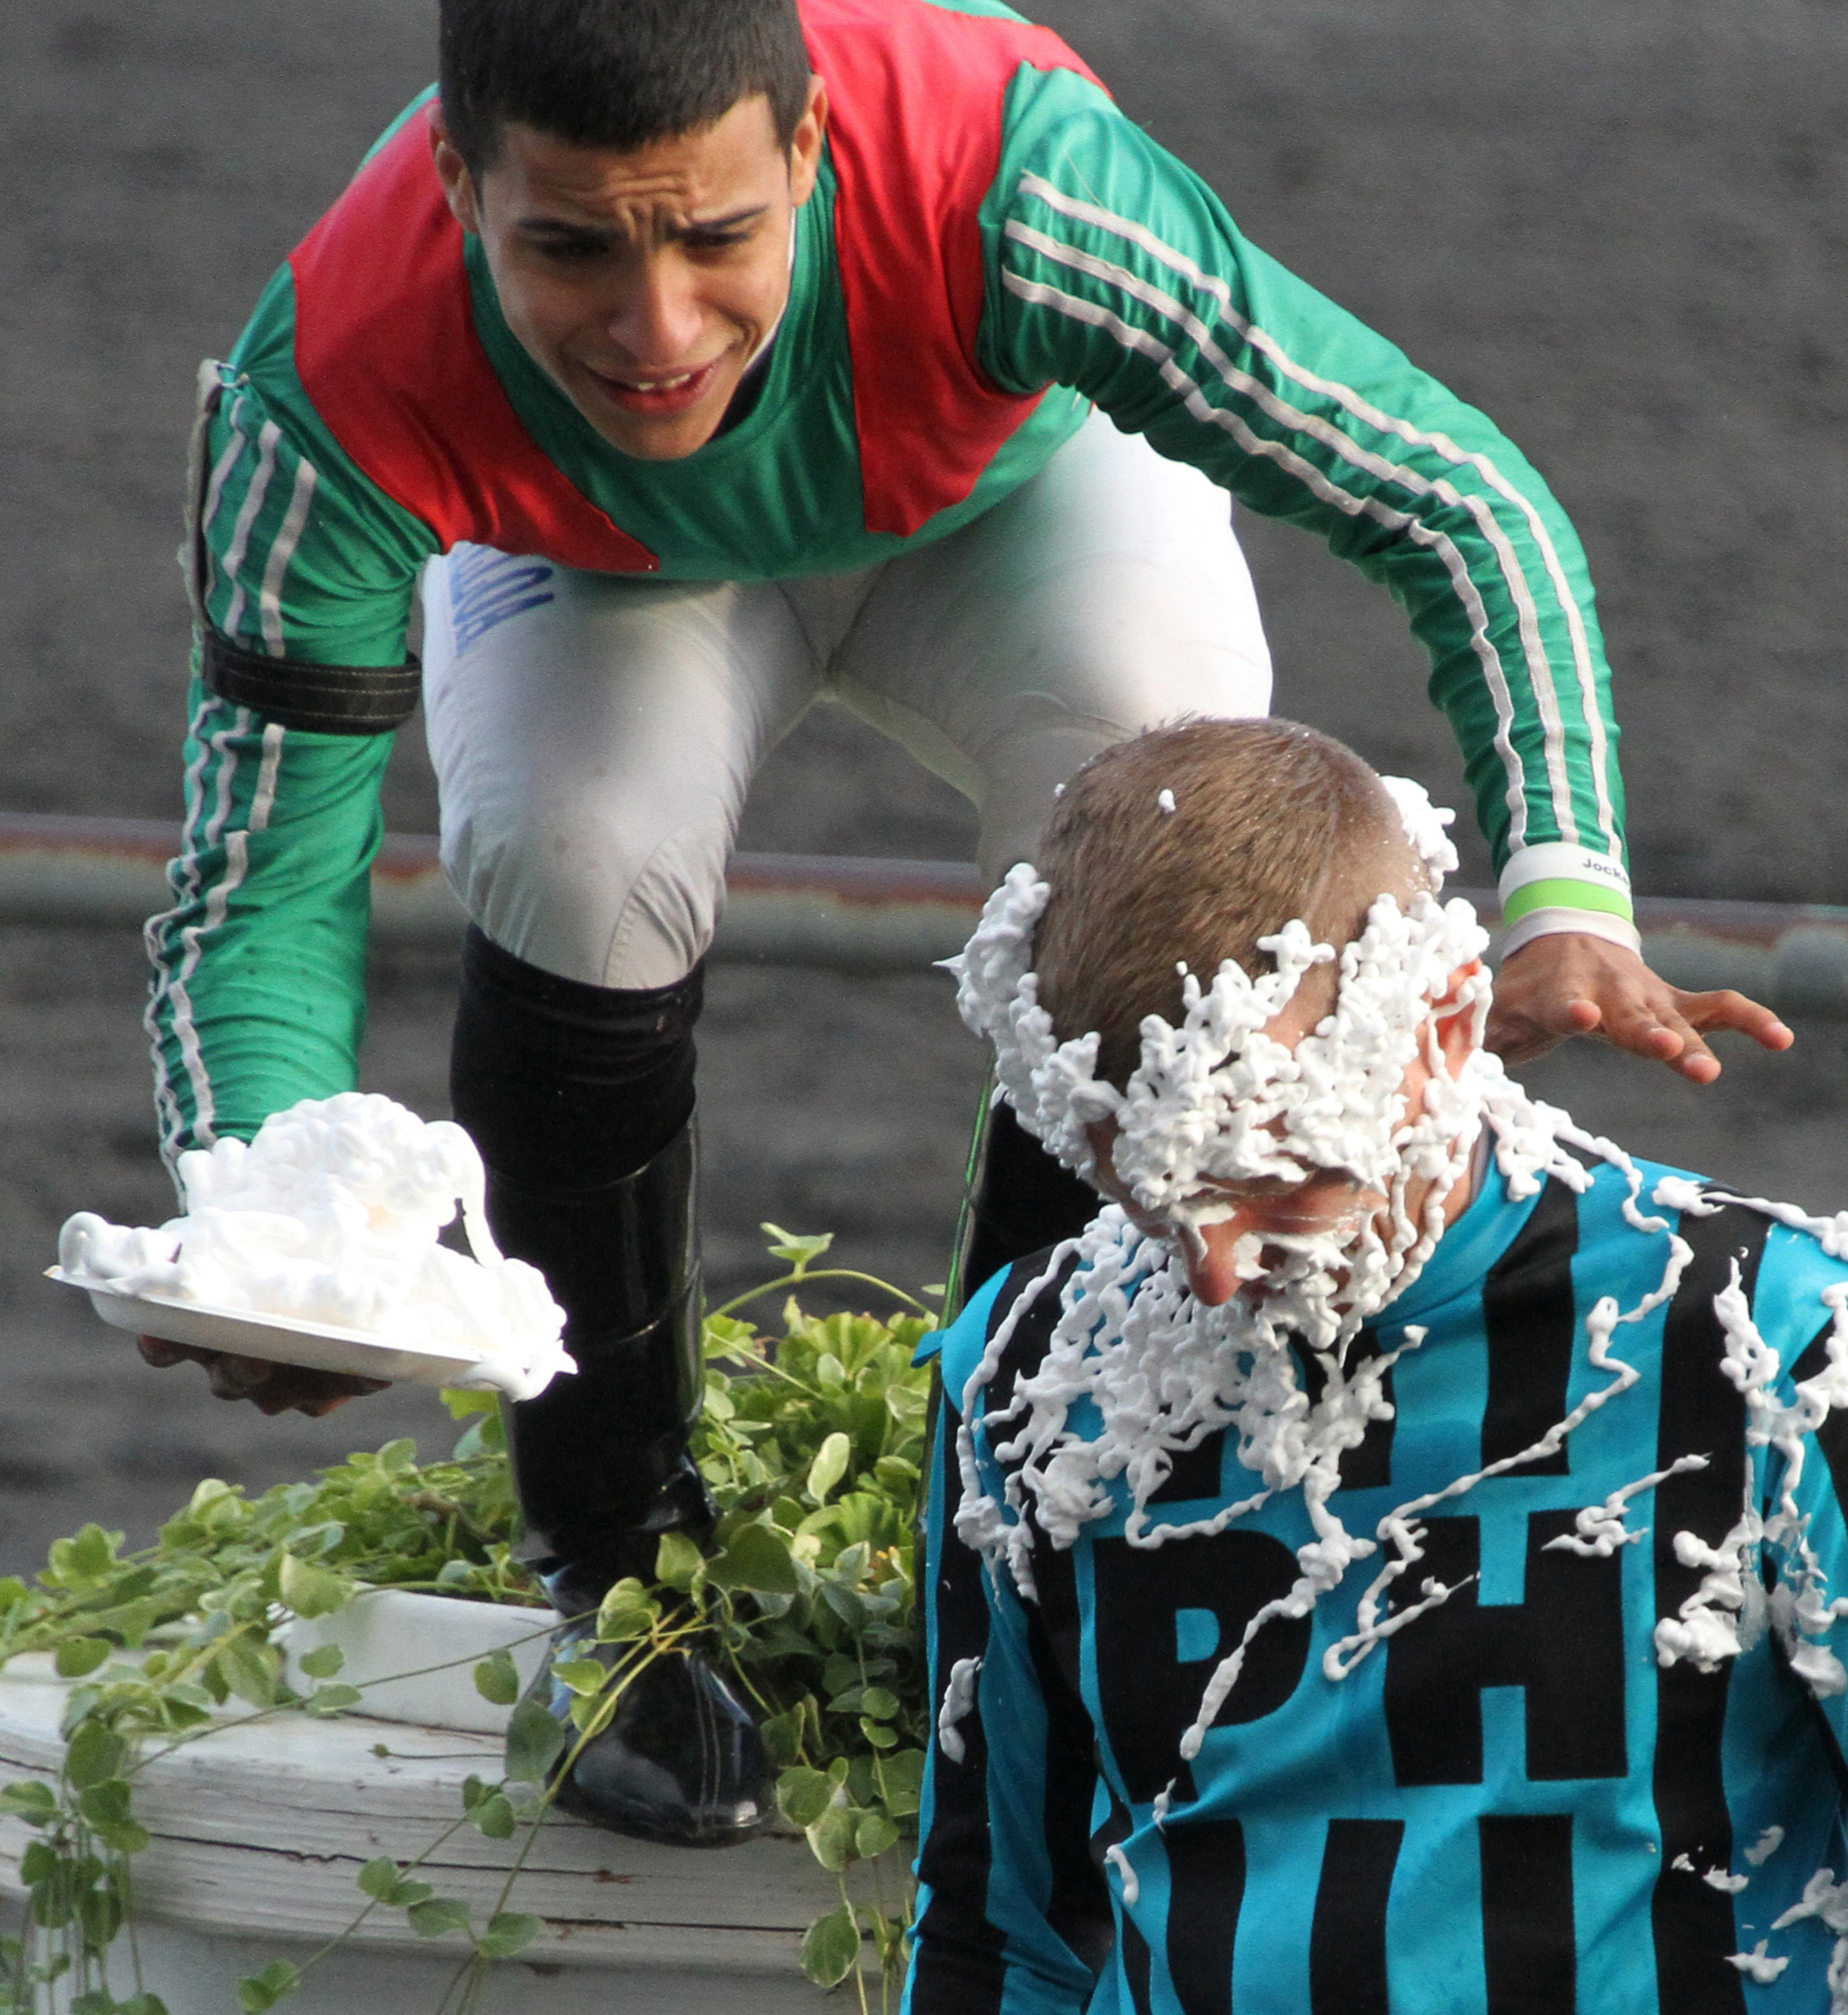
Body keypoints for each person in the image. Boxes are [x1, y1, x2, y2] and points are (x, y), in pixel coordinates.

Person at [136, 0, 1789, 1844]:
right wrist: (257, 1236)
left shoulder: (1022, 190)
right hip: (609, 573)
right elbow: (260, 885)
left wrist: (1565, 884)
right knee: (577, 854)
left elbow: (1459, 499)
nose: (655, 328)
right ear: (455, 190)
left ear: (815, 155)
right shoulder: (332, 371)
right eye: (570, 248)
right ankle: (614, 1581)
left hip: (1001, 490)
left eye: (713, 238)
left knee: (1169, 785)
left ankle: (1034, 1520)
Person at [910, 717, 1848, 2011]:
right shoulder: (1032, 1361)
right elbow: (996, 1926)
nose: (1216, 1275)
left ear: (1448, 1025)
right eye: (1154, 1199)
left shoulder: (1765, 1334)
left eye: (1286, 1184)